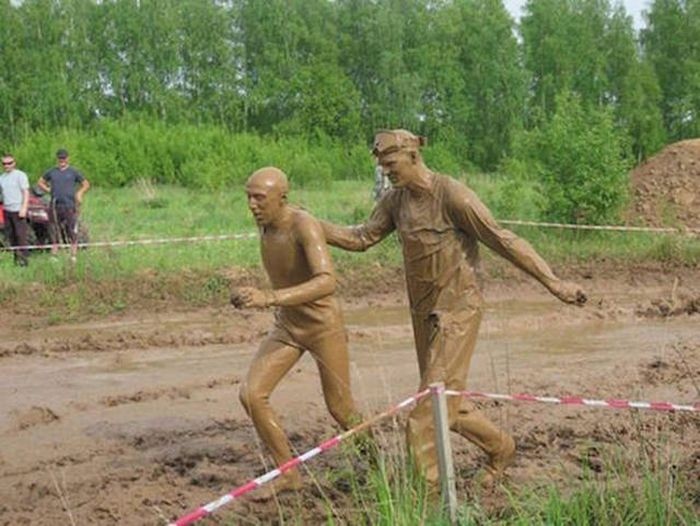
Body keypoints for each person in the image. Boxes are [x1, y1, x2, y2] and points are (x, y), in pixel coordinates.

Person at [321, 129, 587, 492]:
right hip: (423, 312)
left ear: (413, 157)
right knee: (446, 401)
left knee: (424, 417)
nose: (386, 172)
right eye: (382, 166)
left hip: (458, 311)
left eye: (391, 164)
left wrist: (554, 283)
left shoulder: (453, 195)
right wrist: (308, 224)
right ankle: (501, 448)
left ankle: (427, 498)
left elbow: (503, 239)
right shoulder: (395, 202)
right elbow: (362, 238)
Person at [231, 166, 363, 498]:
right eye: (248, 196)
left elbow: (327, 281)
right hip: (288, 325)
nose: (251, 205)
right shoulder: (264, 225)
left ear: (282, 198)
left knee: (341, 409)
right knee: (252, 394)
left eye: (259, 198)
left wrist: (269, 298)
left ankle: (374, 458)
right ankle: (288, 473)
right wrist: (252, 295)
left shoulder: (303, 225)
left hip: (323, 327)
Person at [37, 148, 90, 261]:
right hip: (55, 205)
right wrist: (48, 190)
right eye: (60, 158)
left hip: (69, 205)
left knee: (72, 229)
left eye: (64, 158)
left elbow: (85, 184)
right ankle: (54, 254)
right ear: (57, 159)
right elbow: (40, 182)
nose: (62, 160)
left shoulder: (73, 171)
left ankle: (73, 254)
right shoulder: (52, 171)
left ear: (67, 158)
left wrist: (79, 193)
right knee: (54, 229)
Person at [0, 154, 30, 266]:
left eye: (9, 163)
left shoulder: (20, 175)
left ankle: (24, 261)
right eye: (4, 164)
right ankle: (16, 259)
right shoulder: (1, 178)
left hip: (18, 210)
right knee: (11, 236)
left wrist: (24, 208)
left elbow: (25, 192)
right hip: (7, 210)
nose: (7, 166)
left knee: (20, 236)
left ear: (14, 163)